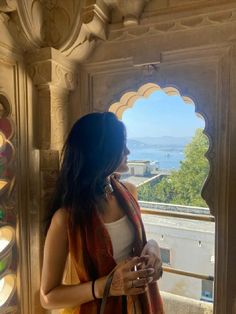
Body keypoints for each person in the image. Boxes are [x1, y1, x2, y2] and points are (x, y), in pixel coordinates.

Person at [40, 112, 164, 314]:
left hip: (140, 305)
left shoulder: (128, 193)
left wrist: (153, 248)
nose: (128, 151)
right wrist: (107, 286)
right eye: (121, 146)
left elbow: (137, 243)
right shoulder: (67, 219)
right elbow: (48, 297)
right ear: (101, 153)